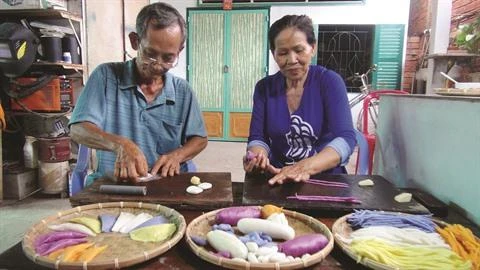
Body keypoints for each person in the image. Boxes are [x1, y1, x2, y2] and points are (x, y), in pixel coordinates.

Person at [69, 2, 207, 183]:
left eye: (168, 58)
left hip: (165, 184)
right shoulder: (105, 77)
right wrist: (121, 145)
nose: (158, 65)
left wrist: (178, 155)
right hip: (116, 185)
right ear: (135, 41)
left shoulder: (183, 91)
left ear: (179, 51)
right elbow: (78, 129)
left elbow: (199, 139)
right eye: (150, 54)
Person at [243, 15, 355, 185]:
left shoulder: (329, 82)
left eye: (299, 50)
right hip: (279, 177)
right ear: (274, 55)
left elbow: (346, 138)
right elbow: (258, 137)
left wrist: (303, 167)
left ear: (313, 48)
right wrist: (258, 156)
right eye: (283, 53)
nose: (292, 60)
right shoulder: (264, 88)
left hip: (325, 180)